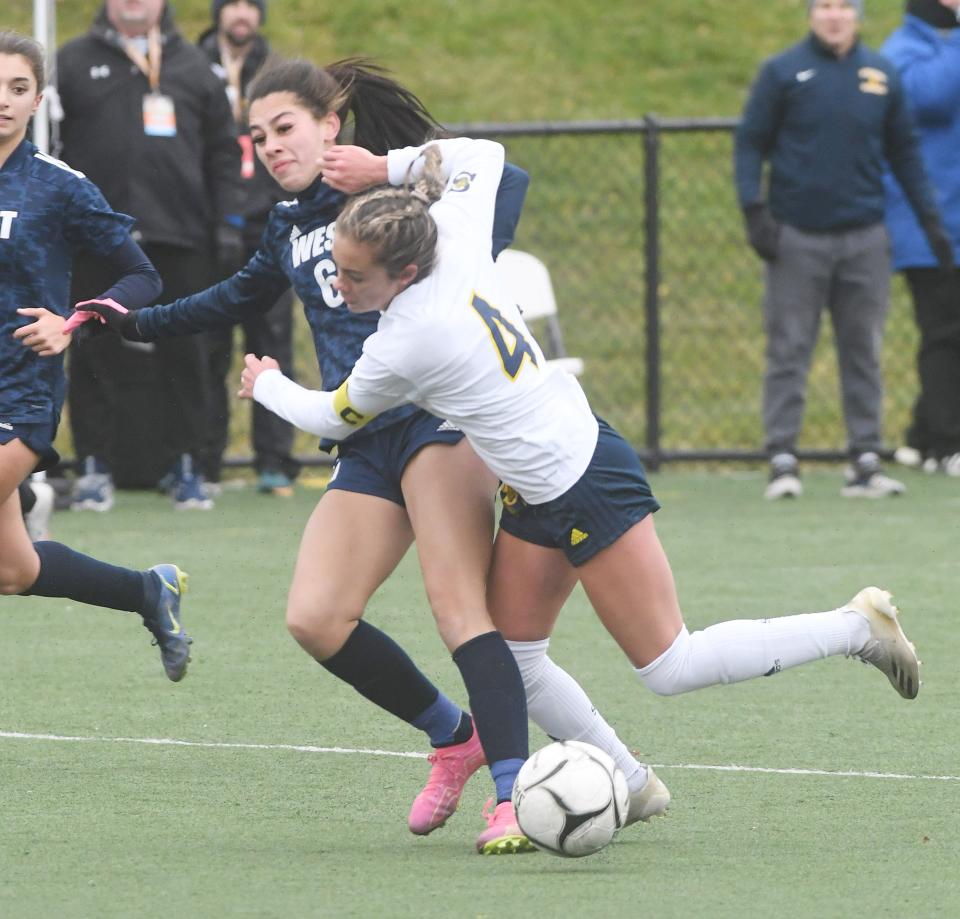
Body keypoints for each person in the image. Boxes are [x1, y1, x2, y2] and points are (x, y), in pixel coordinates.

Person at [226, 135, 920, 823]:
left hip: (584, 479)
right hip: (534, 484)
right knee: (517, 657)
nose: (339, 287)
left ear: (403, 273)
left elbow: (334, 415)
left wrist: (267, 384)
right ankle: (629, 780)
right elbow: (486, 156)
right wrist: (389, 165)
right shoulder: (451, 229)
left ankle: (855, 627)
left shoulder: (406, 337)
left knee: (669, 664)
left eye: (354, 277)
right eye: (338, 270)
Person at [75, 58, 671, 854]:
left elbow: (508, 180)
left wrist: (457, 267)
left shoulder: (387, 201)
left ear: (331, 124)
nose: (272, 146)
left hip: (436, 427)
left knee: (461, 612)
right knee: (315, 617)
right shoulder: (286, 225)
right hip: (361, 438)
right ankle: (451, 735)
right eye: (259, 137)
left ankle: (509, 791)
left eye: (285, 127)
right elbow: (232, 298)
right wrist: (132, 322)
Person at [0, 30, 191, 683]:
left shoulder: (56, 187)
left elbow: (142, 276)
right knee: (15, 569)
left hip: (20, 401)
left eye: (17, 88)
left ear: (39, 100)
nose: (2, 99)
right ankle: (147, 590)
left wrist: (74, 321)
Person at [734, 0, 954, 500]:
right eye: (825, 6)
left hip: (865, 238)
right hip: (798, 238)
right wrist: (755, 211)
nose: (834, 16)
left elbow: (904, 153)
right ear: (812, 14)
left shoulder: (880, 73)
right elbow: (751, 142)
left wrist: (931, 223)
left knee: (864, 350)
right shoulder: (784, 72)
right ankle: (783, 457)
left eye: (843, 6)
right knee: (790, 347)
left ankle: (865, 460)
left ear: (857, 14)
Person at [56, 0, 245, 510]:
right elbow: (49, 148)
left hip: (180, 236)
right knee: (92, 349)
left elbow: (225, 152)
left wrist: (228, 222)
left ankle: (189, 464)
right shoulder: (71, 61)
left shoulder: (195, 67)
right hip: (97, 236)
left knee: (187, 354)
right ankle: (93, 466)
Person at [198, 0, 299, 494]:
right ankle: (205, 460)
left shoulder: (277, 72)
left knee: (272, 343)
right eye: (231, 3)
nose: (241, 13)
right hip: (209, 225)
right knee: (208, 345)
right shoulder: (190, 65)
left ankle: (274, 460)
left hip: (266, 225)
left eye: (250, 4)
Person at [882, 0, 960, 477]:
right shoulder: (903, 48)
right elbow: (930, 97)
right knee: (945, 331)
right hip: (929, 227)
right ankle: (949, 443)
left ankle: (921, 437)